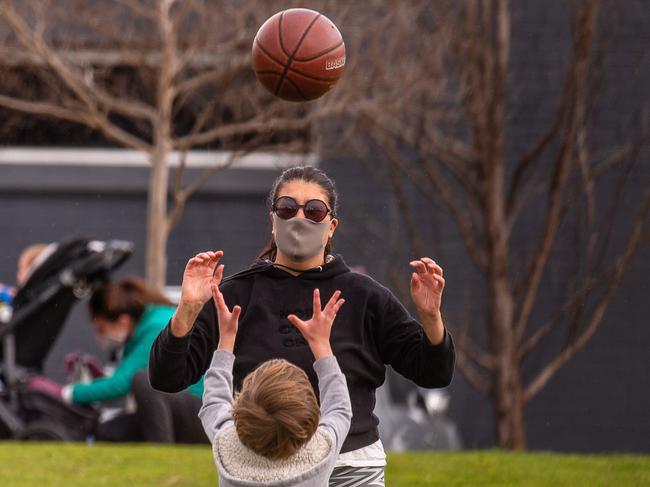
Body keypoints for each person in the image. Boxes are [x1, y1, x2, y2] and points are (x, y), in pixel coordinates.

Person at [149, 165, 455, 484]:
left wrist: (431, 316)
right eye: (287, 208)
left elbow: (434, 372)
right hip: (260, 465)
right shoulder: (235, 295)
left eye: (313, 211)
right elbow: (167, 377)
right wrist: (187, 308)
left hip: (349, 465)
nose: (299, 218)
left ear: (331, 225)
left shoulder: (366, 296)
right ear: (272, 220)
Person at [199, 268, 351, 486]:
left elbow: (214, 401)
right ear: (311, 414)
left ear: (239, 410)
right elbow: (340, 407)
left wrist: (226, 340)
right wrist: (321, 344)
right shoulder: (322, 451)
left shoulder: (227, 448)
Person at [27, 276, 207, 443]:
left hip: (198, 414)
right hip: (184, 410)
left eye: (101, 329)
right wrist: (101, 378)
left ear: (123, 321)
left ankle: (161, 454)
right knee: (109, 430)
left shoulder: (156, 328)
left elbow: (120, 385)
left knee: (143, 381)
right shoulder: (149, 323)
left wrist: (64, 393)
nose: (99, 337)